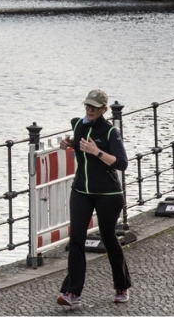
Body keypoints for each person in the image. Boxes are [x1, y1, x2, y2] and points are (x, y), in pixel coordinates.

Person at [56, 89, 132, 307]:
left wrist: (96, 151)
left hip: (108, 194)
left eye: (94, 108)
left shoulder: (110, 132)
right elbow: (79, 142)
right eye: (87, 106)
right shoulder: (80, 125)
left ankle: (121, 286)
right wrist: (69, 144)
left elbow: (121, 163)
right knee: (76, 239)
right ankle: (72, 293)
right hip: (81, 191)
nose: (89, 110)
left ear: (104, 109)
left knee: (108, 238)